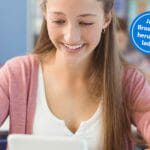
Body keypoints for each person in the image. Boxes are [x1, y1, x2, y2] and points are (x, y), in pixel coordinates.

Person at [0, 0, 150, 150]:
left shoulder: (130, 81)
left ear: (106, 19)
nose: (71, 37)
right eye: (58, 21)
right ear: (46, 15)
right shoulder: (16, 75)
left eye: (86, 23)